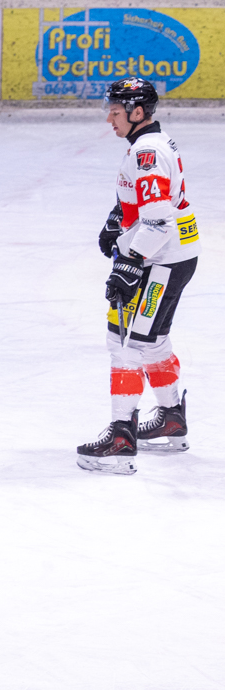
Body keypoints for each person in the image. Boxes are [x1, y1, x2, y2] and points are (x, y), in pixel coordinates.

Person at [77, 77, 198, 474]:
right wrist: (118, 219)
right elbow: (145, 201)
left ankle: (121, 438)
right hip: (171, 257)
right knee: (152, 342)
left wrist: (130, 261)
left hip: (159, 260)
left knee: (124, 343)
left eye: (115, 111)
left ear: (138, 112)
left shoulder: (147, 152)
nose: (109, 118)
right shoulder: (148, 144)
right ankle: (171, 418)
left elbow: (159, 221)